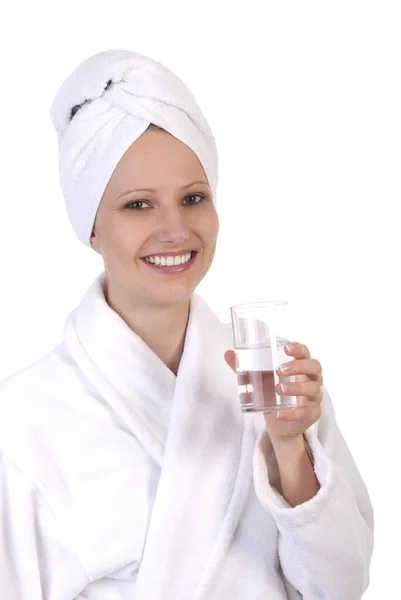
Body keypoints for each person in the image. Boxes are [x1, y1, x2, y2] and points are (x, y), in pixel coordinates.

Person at [0, 49, 374, 600]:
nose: (175, 230)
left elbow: (341, 588)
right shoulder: (24, 420)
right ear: (91, 228)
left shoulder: (273, 378)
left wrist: (288, 448)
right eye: (138, 205)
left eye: (193, 198)